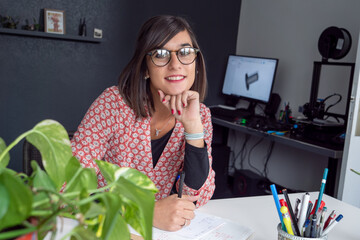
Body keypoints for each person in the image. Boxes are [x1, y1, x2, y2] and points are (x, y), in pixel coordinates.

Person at [71, 15, 215, 232]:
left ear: (196, 62)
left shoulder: (201, 114)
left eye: (185, 52)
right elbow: (69, 187)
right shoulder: (113, 104)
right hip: (107, 228)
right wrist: (144, 210)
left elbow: (197, 195)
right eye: (160, 54)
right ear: (146, 68)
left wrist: (193, 126)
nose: (176, 65)